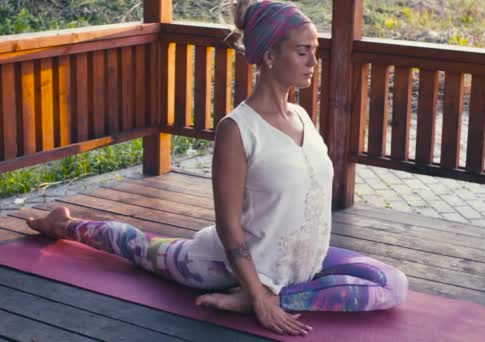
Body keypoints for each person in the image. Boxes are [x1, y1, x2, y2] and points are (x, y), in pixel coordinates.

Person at [27, 0, 408, 336]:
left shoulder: (302, 117)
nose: (313, 62)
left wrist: (261, 297)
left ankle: (269, 296)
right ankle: (64, 225)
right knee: (141, 248)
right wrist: (258, 295)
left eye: (315, 52)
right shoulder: (237, 130)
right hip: (226, 265)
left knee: (393, 284)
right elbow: (228, 227)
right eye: (303, 52)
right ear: (270, 56)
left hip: (302, 262)